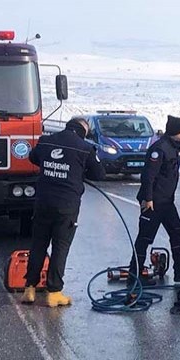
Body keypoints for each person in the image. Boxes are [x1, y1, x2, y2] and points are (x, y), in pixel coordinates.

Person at [21, 117, 106, 307]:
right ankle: (54, 291)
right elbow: (99, 174)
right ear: (83, 130)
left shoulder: (46, 141)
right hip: (66, 206)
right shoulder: (85, 148)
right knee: (60, 247)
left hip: (42, 202)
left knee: (38, 245)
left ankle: (30, 288)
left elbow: (33, 157)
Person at [128, 115, 180, 286]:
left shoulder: (174, 147)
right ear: (177, 131)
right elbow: (148, 176)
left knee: (178, 232)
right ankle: (135, 274)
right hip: (153, 202)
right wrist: (148, 199)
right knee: (145, 238)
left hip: (167, 202)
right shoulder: (160, 149)